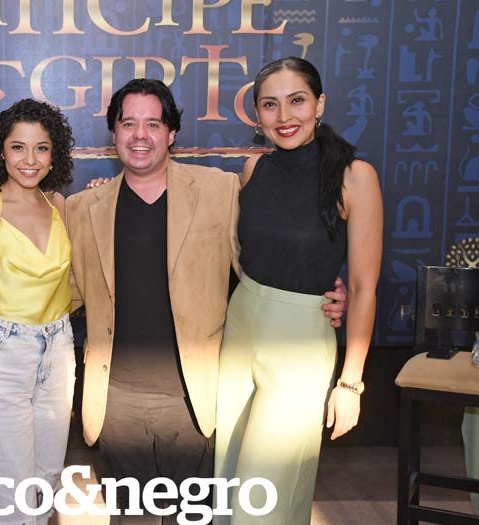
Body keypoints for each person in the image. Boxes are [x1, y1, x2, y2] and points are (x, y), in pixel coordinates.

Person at [65, 78, 348, 524]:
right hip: (116, 402)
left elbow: (264, 257)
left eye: (153, 124)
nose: (140, 135)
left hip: (197, 398)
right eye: (128, 123)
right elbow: (63, 291)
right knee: (130, 518)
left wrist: (321, 289)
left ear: (172, 133)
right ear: (113, 133)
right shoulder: (82, 208)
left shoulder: (221, 190)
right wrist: (0, 307)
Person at [214, 57, 383, 525]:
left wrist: (350, 383)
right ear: (257, 113)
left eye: (297, 101)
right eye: (270, 105)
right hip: (240, 328)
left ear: (319, 104)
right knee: (227, 482)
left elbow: (364, 287)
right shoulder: (253, 169)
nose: (284, 116)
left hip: (301, 342)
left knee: (264, 496)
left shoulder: (355, 177)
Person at [0, 98, 76, 524]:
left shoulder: (60, 205)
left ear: (54, 154)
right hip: (3, 354)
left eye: (41, 148)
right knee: (10, 489)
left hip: (59, 349)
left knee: (47, 478)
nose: (30, 160)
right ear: (1, 152)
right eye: (18, 147)